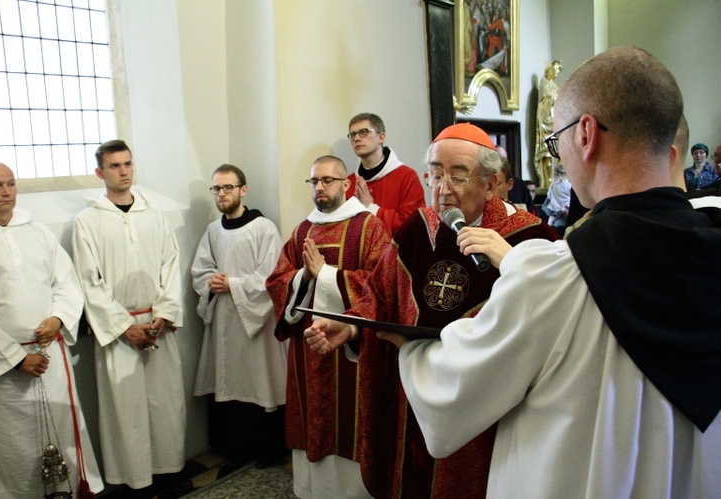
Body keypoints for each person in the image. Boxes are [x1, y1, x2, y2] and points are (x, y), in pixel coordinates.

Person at [343, 47, 721, 497]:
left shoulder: (555, 278)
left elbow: (449, 399)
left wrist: (410, 347)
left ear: (585, 135)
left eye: (554, 138)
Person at [304, 123, 559, 498]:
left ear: (490, 184)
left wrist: (513, 265)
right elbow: (379, 293)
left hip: (486, 408)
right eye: (435, 175)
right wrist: (355, 327)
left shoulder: (533, 240)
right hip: (416, 401)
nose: (442, 191)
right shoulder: (418, 229)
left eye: (457, 177)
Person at [0, 161, 103, 498]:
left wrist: (58, 317)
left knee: (59, 429)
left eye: (11, 184)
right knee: (12, 445)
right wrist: (16, 358)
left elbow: (67, 282)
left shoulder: (37, 231)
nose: (6, 192)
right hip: (2, 369)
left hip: (49, 357)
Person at [266, 155, 390, 498]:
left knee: (349, 420)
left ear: (346, 183)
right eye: (314, 182)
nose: (320, 188)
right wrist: (304, 275)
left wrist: (328, 276)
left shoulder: (368, 227)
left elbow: (383, 285)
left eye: (328, 180)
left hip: (350, 351)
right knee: (313, 421)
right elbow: (277, 280)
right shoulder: (303, 230)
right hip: (307, 348)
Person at [72, 140, 189, 493]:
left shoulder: (153, 214)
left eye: (127, 164)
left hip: (157, 325)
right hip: (120, 333)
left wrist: (165, 313)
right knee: (126, 411)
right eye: (114, 166)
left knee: (165, 403)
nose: (123, 171)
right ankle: (134, 481)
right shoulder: (87, 221)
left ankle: (169, 472)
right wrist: (125, 327)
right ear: (100, 172)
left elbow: (171, 265)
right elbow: (89, 281)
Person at [191, 164, 288, 469]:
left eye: (228, 188)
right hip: (224, 318)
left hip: (256, 320)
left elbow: (272, 275)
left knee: (261, 381)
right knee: (231, 380)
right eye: (216, 189)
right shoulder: (213, 230)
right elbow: (200, 269)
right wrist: (210, 281)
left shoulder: (263, 228)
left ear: (243, 190)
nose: (221, 194)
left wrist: (231, 284)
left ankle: (269, 449)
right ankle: (238, 448)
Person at [346, 112, 425, 236]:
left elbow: (413, 226)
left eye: (363, 132)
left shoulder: (406, 176)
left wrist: (370, 207)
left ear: (381, 137)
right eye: (352, 134)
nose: (356, 138)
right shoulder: (348, 183)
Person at [534, 60, 563, 189]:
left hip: (554, 120)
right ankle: (546, 182)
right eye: (555, 69)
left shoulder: (554, 85)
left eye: (558, 71)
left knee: (559, 153)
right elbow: (545, 103)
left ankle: (557, 181)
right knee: (546, 153)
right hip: (546, 120)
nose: (556, 73)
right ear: (549, 69)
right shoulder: (544, 83)